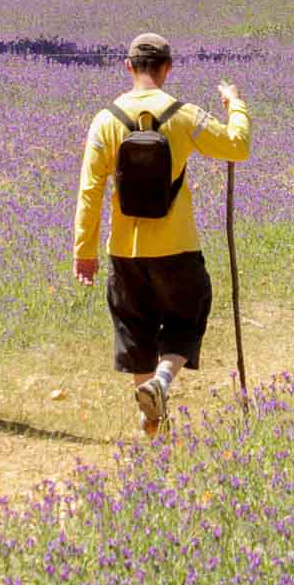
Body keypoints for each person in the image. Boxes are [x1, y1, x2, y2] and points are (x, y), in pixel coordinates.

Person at [74, 33, 250, 437]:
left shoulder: (105, 120)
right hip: (177, 246)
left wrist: (84, 251)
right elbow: (237, 147)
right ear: (168, 68)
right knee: (185, 321)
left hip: (124, 250)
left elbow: (90, 191)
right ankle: (162, 382)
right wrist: (234, 104)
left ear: (128, 66)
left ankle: (150, 419)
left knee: (133, 329)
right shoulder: (184, 115)